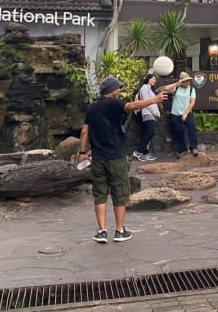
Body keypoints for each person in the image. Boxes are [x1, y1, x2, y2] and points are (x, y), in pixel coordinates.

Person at [78, 76, 167, 244]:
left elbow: (84, 132)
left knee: (100, 195)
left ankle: (102, 231)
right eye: (117, 88)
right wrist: (154, 100)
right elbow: (131, 106)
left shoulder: (92, 107)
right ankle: (119, 231)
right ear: (111, 90)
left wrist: (82, 152)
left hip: (97, 158)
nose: (119, 91)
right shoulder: (114, 104)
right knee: (119, 193)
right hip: (116, 157)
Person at [133, 73, 180, 162]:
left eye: (155, 79)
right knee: (150, 132)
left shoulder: (151, 90)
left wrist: (156, 113)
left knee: (147, 133)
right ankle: (138, 152)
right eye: (153, 79)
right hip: (147, 113)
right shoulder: (144, 88)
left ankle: (145, 153)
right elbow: (147, 102)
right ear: (148, 79)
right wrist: (154, 113)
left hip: (152, 114)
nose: (155, 81)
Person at [168, 71, 199, 158]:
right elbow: (165, 89)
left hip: (187, 112)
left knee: (191, 129)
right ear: (182, 81)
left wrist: (185, 114)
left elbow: (192, 102)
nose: (188, 82)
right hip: (175, 113)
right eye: (186, 81)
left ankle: (193, 148)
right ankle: (182, 150)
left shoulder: (192, 90)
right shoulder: (176, 88)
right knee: (178, 131)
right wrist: (176, 84)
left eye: (188, 81)